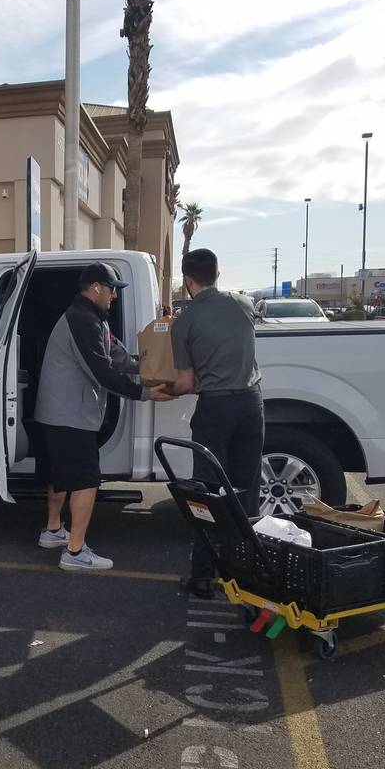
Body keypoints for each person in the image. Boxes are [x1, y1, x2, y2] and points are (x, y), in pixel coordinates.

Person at [35, 262, 174, 571]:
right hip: (69, 415)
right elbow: (103, 372)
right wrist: (147, 393)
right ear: (95, 287)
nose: (114, 297)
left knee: (59, 476)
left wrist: (150, 368)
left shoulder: (93, 318)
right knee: (85, 480)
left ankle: (54, 530)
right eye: (112, 290)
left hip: (59, 413)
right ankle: (74, 552)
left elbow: (117, 356)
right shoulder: (81, 319)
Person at [167, 248, 264, 599]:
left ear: (188, 280)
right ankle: (247, 575)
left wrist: (157, 390)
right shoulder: (243, 303)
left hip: (215, 410)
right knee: (245, 491)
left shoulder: (185, 321)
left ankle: (202, 577)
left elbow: (185, 383)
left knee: (207, 495)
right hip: (252, 405)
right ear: (218, 272)